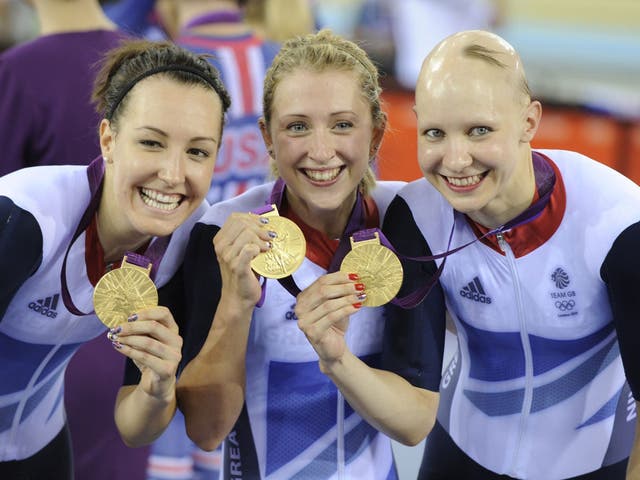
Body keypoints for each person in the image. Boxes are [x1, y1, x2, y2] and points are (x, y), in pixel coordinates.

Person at [149, 28, 416, 478]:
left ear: (375, 134)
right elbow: (206, 430)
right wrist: (235, 304)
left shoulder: (404, 224)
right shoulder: (220, 233)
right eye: (296, 127)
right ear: (267, 138)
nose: (320, 151)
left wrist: (338, 361)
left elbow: (415, 425)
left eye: (343, 124)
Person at [380, 30, 640, 479]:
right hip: (461, 455)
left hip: (594, 465)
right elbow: (412, 390)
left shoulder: (616, 221)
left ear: (529, 121)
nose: (456, 159)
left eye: (479, 130)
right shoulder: (416, 218)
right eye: (435, 133)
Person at [0, 38, 230, 479]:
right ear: (108, 139)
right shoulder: (30, 217)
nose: (172, 174)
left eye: (198, 151)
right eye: (151, 143)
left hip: (37, 449)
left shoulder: (188, 240)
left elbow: (135, 429)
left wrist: (159, 385)